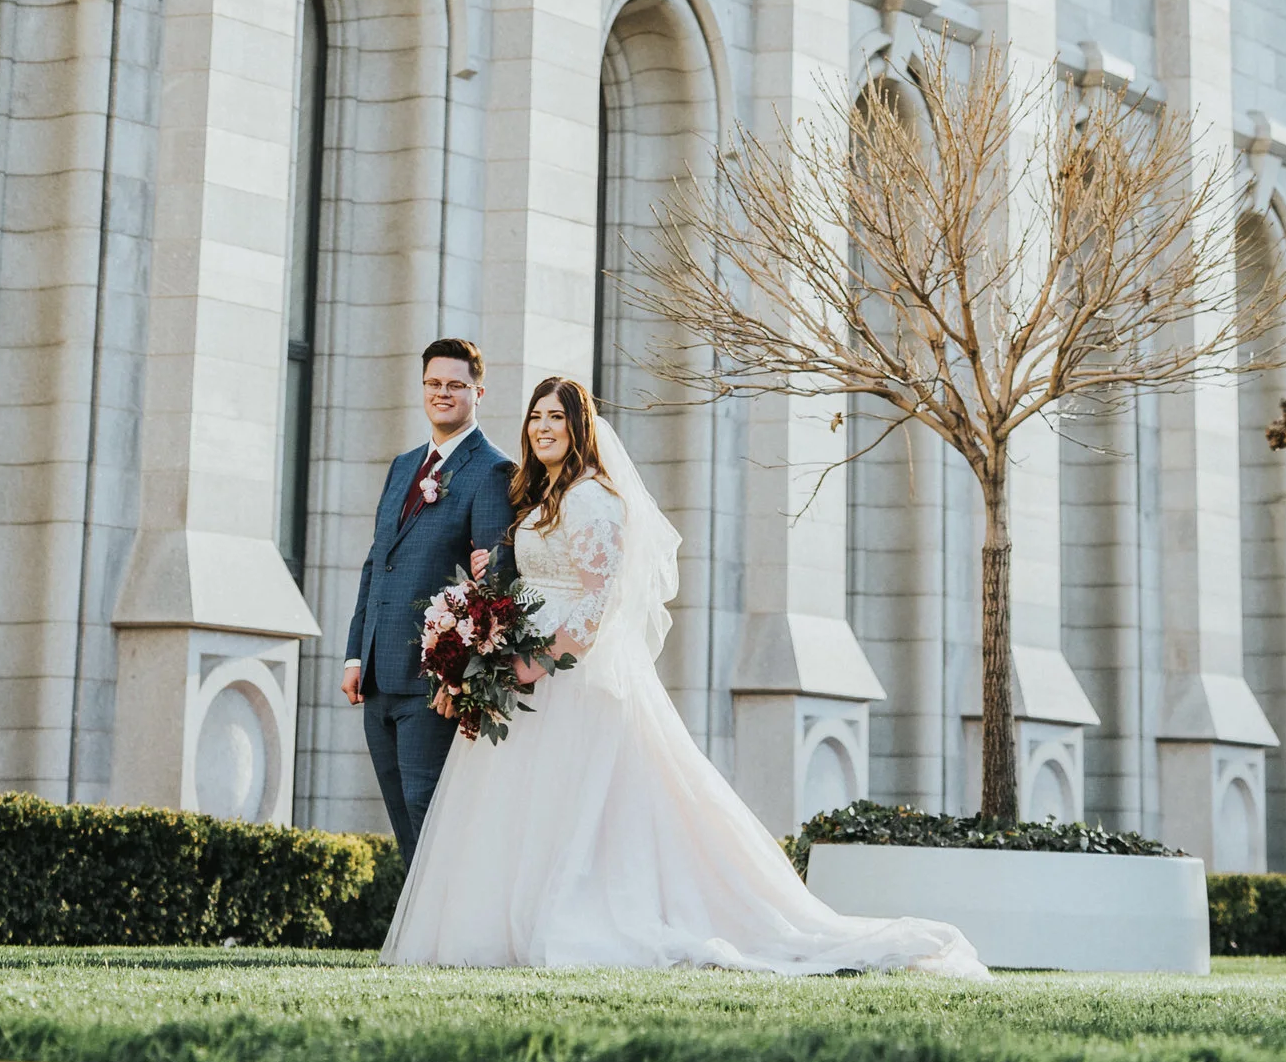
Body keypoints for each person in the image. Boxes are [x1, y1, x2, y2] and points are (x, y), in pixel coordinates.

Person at [382, 371, 986, 977]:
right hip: (521, 675)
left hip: (568, 682)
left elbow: (591, 615)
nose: (543, 428)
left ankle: (571, 921)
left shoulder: (596, 499)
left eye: (557, 418)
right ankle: (504, 929)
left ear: (579, 428)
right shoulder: (543, 499)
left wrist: (524, 669)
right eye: (536, 417)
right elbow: (533, 580)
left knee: (576, 813)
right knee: (516, 813)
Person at [342, 335, 516, 860]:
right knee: (401, 818)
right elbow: (378, 562)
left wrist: (461, 674)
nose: (443, 393)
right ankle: (417, 938)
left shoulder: (492, 471)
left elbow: (496, 585)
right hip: (377, 671)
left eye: (455, 385)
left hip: (433, 681)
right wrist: (355, 653)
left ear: (478, 393)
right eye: (434, 384)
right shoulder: (402, 466)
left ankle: (441, 940)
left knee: (431, 812)